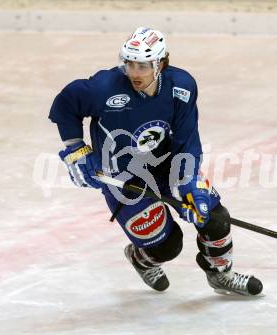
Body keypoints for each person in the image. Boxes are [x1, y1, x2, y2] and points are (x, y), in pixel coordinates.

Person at [49, 27, 263, 296]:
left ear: (160, 63)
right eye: (129, 64)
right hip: (122, 176)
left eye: (142, 66)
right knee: (167, 245)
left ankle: (221, 274)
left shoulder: (181, 87)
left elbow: (187, 139)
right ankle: (140, 259)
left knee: (214, 216)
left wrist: (188, 184)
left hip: (165, 162)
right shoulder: (103, 88)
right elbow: (66, 104)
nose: (134, 73)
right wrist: (76, 150)